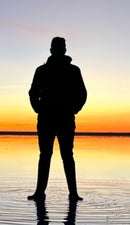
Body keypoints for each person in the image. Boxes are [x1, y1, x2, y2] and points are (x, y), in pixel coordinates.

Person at [27, 37, 87, 201]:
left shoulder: (74, 70)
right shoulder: (41, 70)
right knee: (45, 155)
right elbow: (33, 93)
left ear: (64, 50)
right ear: (51, 50)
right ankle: (40, 192)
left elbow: (82, 94)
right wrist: (38, 109)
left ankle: (73, 193)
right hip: (46, 118)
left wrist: (74, 109)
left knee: (67, 155)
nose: (59, 50)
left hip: (65, 119)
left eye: (61, 47)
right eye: (56, 47)